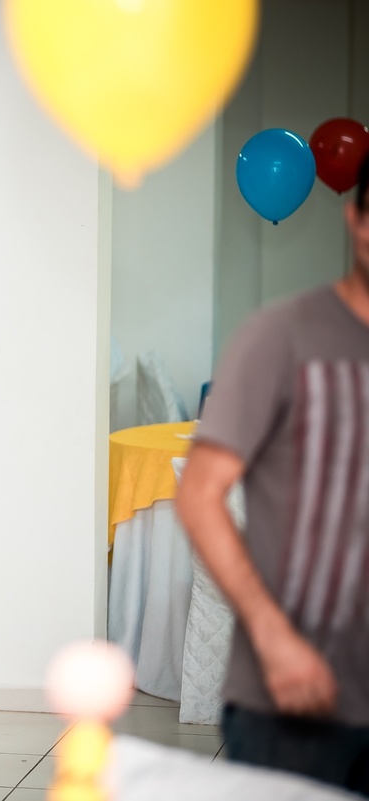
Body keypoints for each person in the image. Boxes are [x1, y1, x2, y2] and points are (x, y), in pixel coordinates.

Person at [176, 155, 369, 796]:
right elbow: (200, 494)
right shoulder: (282, 335)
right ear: (356, 220)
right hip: (294, 697)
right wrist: (270, 632)